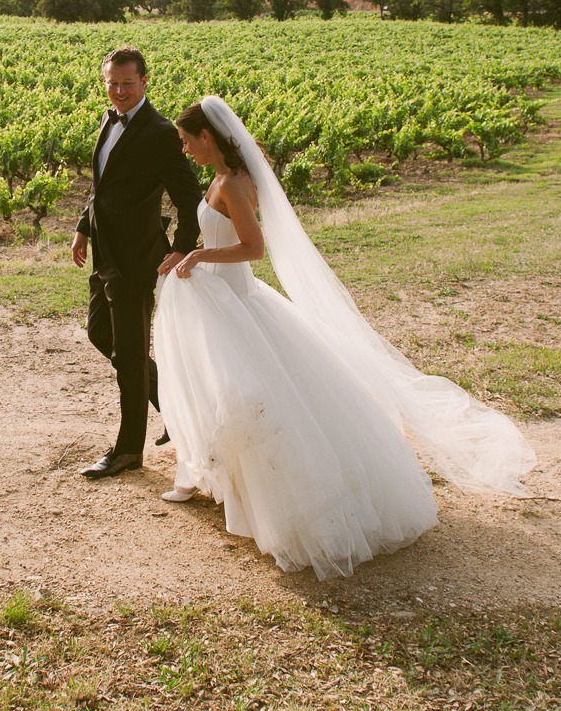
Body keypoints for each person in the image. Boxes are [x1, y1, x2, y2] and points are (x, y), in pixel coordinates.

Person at [154, 97, 536, 579]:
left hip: (237, 303)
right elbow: (221, 237)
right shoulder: (224, 177)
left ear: (207, 136)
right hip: (223, 301)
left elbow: (253, 248)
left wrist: (200, 259)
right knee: (224, 395)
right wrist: (189, 254)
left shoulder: (232, 183)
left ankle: (277, 500)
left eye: (188, 141)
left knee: (250, 401)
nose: (186, 149)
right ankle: (214, 479)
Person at [71, 47, 202, 479]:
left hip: (136, 259)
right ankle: (174, 407)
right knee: (99, 333)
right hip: (106, 251)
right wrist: (83, 228)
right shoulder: (109, 119)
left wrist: (181, 248)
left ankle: (129, 450)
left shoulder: (159, 131)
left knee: (128, 355)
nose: (119, 91)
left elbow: (189, 199)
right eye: (112, 83)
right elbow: (101, 186)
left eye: (127, 83)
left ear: (145, 82)